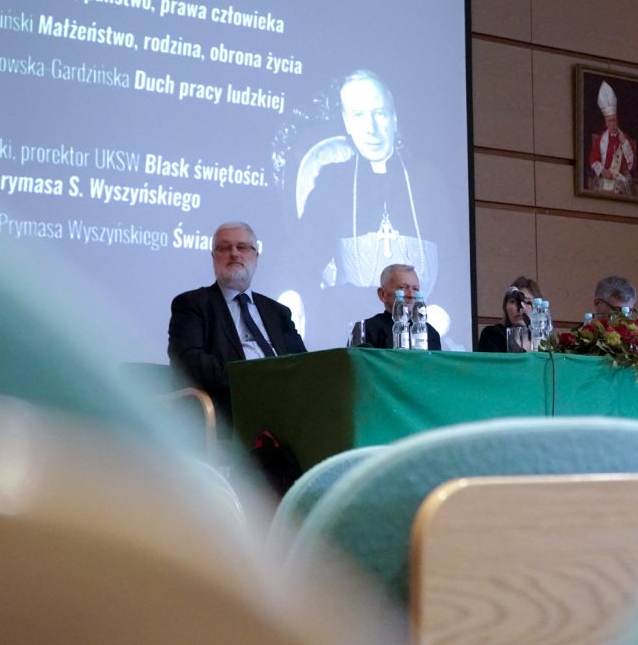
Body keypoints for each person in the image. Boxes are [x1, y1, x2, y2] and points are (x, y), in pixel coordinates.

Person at [294, 70, 438, 300]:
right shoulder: (333, 181)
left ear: (394, 118)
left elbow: (454, 262)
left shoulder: (428, 179)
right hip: (352, 315)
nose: (371, 128)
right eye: (359, 115)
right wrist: (292, 295)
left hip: (423, 315)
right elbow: (301, 257)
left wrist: (441, 314)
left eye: (379, 113)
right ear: (347, 123)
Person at [168, 221, 306, 429]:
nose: (234, 254)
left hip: (286, 409)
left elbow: (302, 363)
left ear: (256, 257)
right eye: (224, 248)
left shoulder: (278, 312)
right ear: (214, 258)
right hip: (229, 409)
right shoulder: (192, 304)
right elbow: (188, 361)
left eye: (242, 247)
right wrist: (252, 382)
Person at [362, 263, 441, 350]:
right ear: (383, 294)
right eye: (403, 287)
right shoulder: (366, 330)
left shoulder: (430, 333)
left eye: (415, 289)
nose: (411, 295)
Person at [588, 81, 637, 195]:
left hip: (620, 177)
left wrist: (624, 143)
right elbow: (593, 159)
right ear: (606, 123)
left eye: (614, 120)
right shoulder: (601, 139)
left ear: (617, 120)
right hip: (605, 176)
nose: (612, 124)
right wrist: (603, 171)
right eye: (609, 121)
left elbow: (632, 164)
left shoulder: (625, 138)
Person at [477, 276, 542, 352]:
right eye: (513, 301)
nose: (520, 308)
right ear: (505, 307)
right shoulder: (493, 334)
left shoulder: (543, 341)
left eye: (527, 301)